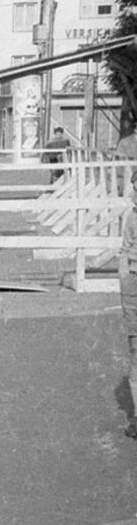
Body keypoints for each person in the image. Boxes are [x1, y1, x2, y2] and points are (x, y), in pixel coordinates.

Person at [123, 173, 137, 439]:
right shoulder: (132, 218)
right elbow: (124, 250)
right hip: (134, 284)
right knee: (135, 350)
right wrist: (124, 278)